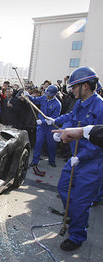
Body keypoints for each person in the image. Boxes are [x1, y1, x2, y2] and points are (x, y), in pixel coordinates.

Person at [47, 66, 103, 251]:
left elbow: (99, 138)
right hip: (76, 158)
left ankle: (77, 236)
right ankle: (74, 216)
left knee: (80, 201)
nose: (71, 90)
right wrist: (60, 129)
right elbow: (73, 118)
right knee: (63, 187)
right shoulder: (80, 103)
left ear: (85, 86)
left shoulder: (100, 106)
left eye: (74, 87)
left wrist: (82, 157)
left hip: (92, 162)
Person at [25, 85, 61, 167]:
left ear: (54, 95)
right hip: (41, 127)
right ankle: (35, 161)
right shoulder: (43, 98)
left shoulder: (57, 104)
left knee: (51, 144)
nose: (48, 96)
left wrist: (43, 121)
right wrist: (28, 95)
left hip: (50, 127)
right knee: (38, 143)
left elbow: (54, 118)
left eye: (49, 95)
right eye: (47, 94)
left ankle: (52, 160)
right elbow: (35, 100)